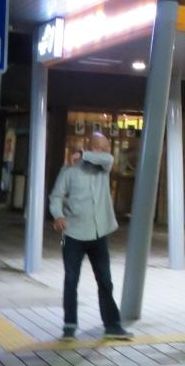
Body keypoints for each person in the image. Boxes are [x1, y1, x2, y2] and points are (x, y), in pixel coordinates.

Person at [49, 132, 133, 341]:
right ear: (91, 146)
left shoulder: (103, 167)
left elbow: (108, 159)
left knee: (105, 281)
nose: (105, 152)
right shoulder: (69, 170)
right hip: (72, 234)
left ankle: (112, 325)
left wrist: (82, 153)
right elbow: (56, 196)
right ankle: (69, 326)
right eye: (100, 147)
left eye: (106, 148)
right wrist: (58, 215)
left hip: (98, 234)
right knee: (71, 280)